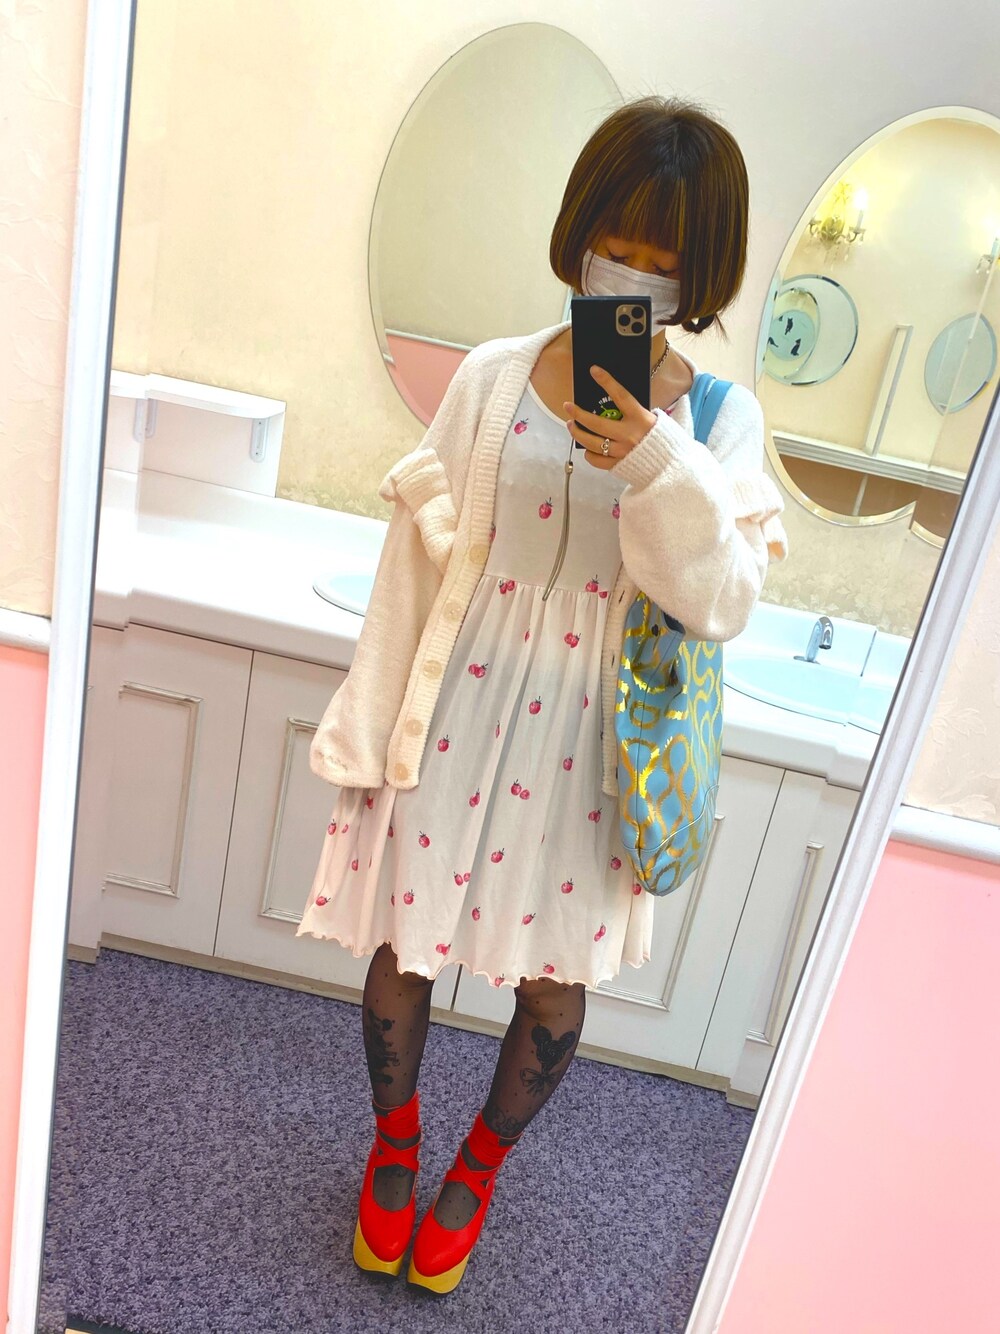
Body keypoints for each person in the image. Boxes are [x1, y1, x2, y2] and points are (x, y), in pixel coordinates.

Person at [295, 93, 788, 1295]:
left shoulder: (719, 421)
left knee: (553, 979)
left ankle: (477, 1166)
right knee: (405, 938)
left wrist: (658, 458)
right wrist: (369, 725)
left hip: (590, 740)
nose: (633, 270)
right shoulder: (492, 375)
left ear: (701, 273)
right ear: (580, 232)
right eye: (618, 239)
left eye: (664, 257)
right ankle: (395, 1141)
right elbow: (415, 564)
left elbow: (721, 600)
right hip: (455, 709)